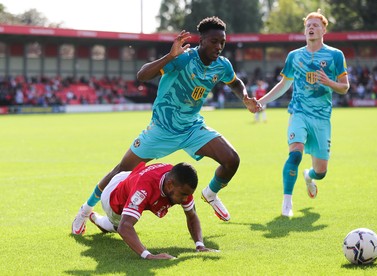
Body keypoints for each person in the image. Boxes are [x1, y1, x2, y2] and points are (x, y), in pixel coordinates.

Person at [72, 16, 261, 235]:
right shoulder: (182, 59)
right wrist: (170, 56)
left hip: (191, 128)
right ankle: (85, 211)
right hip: (162, 129)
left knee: (232, 160)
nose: (218, 46)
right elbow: (142, 75)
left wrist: (245, 98)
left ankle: (211, 193)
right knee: (121, 170)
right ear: (202, 40)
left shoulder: (222, 65)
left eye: (222, 42)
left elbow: (235, 82)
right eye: (213, 41)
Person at [257, 9, 349, 217]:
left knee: (321, 172)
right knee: (295, 154)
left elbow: (345, 87)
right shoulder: (294, 56)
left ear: (324, 29)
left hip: (322, 118)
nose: (311, 28)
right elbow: (283, 85)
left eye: (316, 25)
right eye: (308, 25)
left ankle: (310, 176)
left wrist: (328, 82)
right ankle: (287, 203)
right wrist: (262, 102)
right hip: (298, 112)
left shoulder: (335, 55)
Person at [87, 162, 217, 259]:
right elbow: (125, 227)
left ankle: (95, 218)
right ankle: (97, 218)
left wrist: (200, 246)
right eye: (183, 194)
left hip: (131, 179)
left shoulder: (178, 182)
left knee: (124, 223)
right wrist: (148, 256)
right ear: (170, 185)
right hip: (113, 198)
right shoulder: (143, 190)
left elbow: (192, 215)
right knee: (118, 225)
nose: (185, 199)